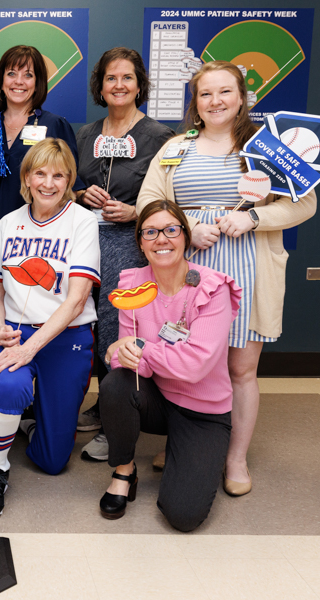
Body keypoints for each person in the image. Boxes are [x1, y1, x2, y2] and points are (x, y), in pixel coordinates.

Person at [137, 61, 317, 496]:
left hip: (249, 266)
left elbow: (305, 204)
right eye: (205, 94)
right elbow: (149, 198)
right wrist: (184, 225)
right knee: (188, 365)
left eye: (224, 92)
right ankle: (189, 444)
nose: (215, 101)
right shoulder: (177, 147)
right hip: (189, 269)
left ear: (242, 98)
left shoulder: (266, 147)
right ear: (195, 103)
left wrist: (255, 217)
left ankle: (234, 457)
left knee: (240, 369)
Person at [98, 200, 241, 531]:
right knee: (116, 384)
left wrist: (141, 349)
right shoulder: (132, 283)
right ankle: (124, 470)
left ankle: (194, 454)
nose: (161, 239)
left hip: (203, 411)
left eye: (170, 230)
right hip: (157, 399)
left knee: (183, 516)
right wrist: (124, 354)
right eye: (150, 232)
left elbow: (195, 366)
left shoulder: (211, 287)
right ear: (141, 243)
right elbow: (123, 359)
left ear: (185, 236)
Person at [0, 138, 100, 520]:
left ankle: (31, 425)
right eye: (40, 173)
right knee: (12, 384)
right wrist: (1, 328)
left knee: (52, 461)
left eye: (59, 175)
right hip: (16, 331)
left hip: (67, 337)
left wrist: (30, 350)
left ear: (69, 181)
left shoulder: (82, 220)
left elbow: (77, 300)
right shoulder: (8, 222)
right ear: (27, 177)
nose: (49, 183)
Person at [75, 48, 175, 459]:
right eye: (111, 78)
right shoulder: (84, 134)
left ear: (140, 85)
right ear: (100, 85)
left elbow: (171, 199)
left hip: (132, 244)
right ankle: (101, 404)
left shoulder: (160, 137)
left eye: (127, 78)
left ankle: (117, 416)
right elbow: (67, 185)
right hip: (85, 240)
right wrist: (82, 194)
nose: (118, 85)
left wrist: (137, 213)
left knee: (122, 324)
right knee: (90, 324)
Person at [0, 45, 84, 265]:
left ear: (38, 82)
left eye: (28, 75)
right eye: (11, 74)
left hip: (39, 236)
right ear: (1, 80)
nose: (18, 81)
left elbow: (71, 191)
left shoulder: (54, 125)